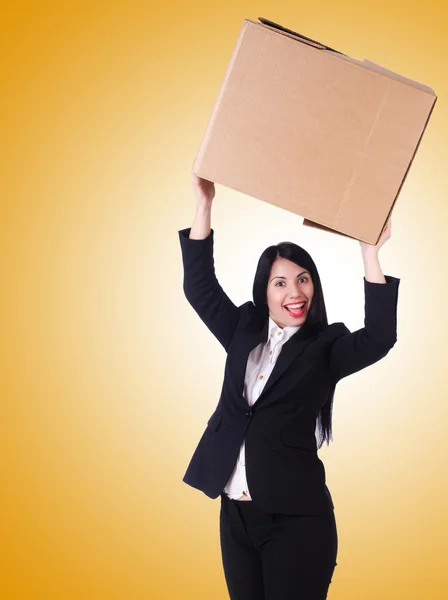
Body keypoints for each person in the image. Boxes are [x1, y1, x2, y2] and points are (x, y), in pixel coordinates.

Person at [178, 172, 400, 600]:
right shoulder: (243, 329)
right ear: (265, 292)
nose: (295, 292)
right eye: (280, 282)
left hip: (297, 521)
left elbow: (379, 338)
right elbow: (199, 287)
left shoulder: (327, 347)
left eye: (303, 279)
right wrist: (203, 204)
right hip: (235, 516)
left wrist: (370, 253)